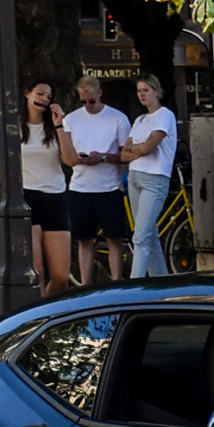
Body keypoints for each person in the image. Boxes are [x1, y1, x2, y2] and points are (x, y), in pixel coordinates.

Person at [60, 75, 134, 284]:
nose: (88, 105)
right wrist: (77, 159)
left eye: (92, 101)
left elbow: (125, 155)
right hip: (80, 187)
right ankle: (85, 284)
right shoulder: (71, 120)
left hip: (109, 187)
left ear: (100, 94)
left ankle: (117, 281)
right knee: (84, 240)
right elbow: (65, 154)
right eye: (83, 101)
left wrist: (102, 157)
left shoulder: (118, 119)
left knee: (114, 238)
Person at [119, 74, 177, 278]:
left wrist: (137, 148)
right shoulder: (140, 120)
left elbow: (150, 146)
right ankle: (161, 280)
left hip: (154, 177)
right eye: (139, 91)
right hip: (135, 175)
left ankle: (136, 283)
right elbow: (125, 154)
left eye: (146, 90)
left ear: (157, 92)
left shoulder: (165, 115)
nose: (142, 94)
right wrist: (139, 148)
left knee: (141, 236)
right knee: (148, 234)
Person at [20, 80, 72, 296]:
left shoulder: (58, 125)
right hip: (27, 197)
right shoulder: (13, 126)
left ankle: (45, 310)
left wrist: (59, 125)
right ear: (27, 93)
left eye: (48, 97)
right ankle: (38, 321)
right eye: (39, 93)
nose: (43, 99)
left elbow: (71, 160)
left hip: (55, 196)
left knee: (60, 277)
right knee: (37, 270)